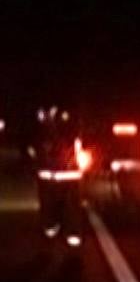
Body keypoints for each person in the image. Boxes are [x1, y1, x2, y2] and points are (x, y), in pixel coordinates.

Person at [30, 106, 88, 247]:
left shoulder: (42, 133)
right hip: (64, 176)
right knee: (68, 206)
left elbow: (34, 153)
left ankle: (56, 229)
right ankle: (67, 232)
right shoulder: (71, 133)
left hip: (56, 176)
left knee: (57, 205)